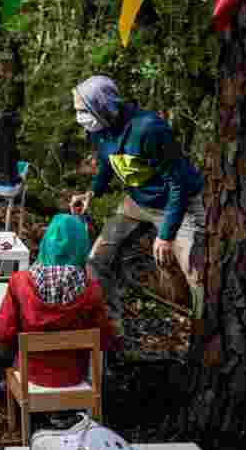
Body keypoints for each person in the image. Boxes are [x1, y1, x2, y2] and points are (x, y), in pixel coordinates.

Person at [69, 75, 205, 337]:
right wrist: (92, 193)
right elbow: (109, 163)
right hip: (137, 200)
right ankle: (110, 331)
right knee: (98, 260)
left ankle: (204, 342)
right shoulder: (99, 130)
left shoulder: (149, 129)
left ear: (102, 106)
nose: (79, 117)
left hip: (179, 203)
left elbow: (179, 184)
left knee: (196, 273)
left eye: (82, 110)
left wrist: (165, 235)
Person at [0, 214, 120, 419]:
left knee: (0, 368)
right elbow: (105, 339)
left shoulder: (21, 283)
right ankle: (61, 413)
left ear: (46, 243)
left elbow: (4, 332)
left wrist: (11, 345)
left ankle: (10, 405)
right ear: (82, 248)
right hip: (74, 377)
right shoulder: (91, 291)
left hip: (31, 373)